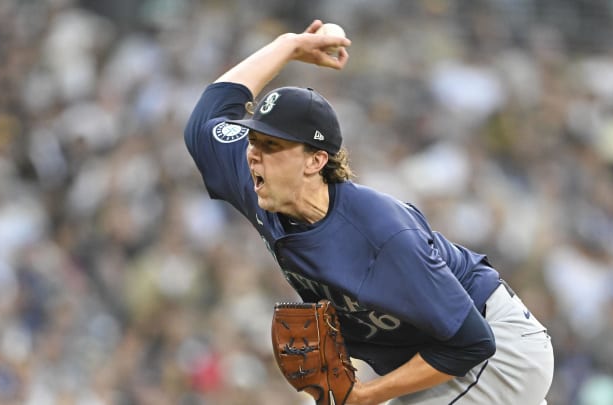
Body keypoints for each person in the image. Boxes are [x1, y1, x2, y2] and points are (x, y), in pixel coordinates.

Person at [184, 19, 554, 405]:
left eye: (272, 145)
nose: (253, 152)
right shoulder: (260, 177)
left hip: (496, 349)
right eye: (254, 138)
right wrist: (289, 46)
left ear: (315, 161)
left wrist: (366, 395)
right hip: (434, 357)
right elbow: (204, 120)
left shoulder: (380, 234)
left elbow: (471, 343)